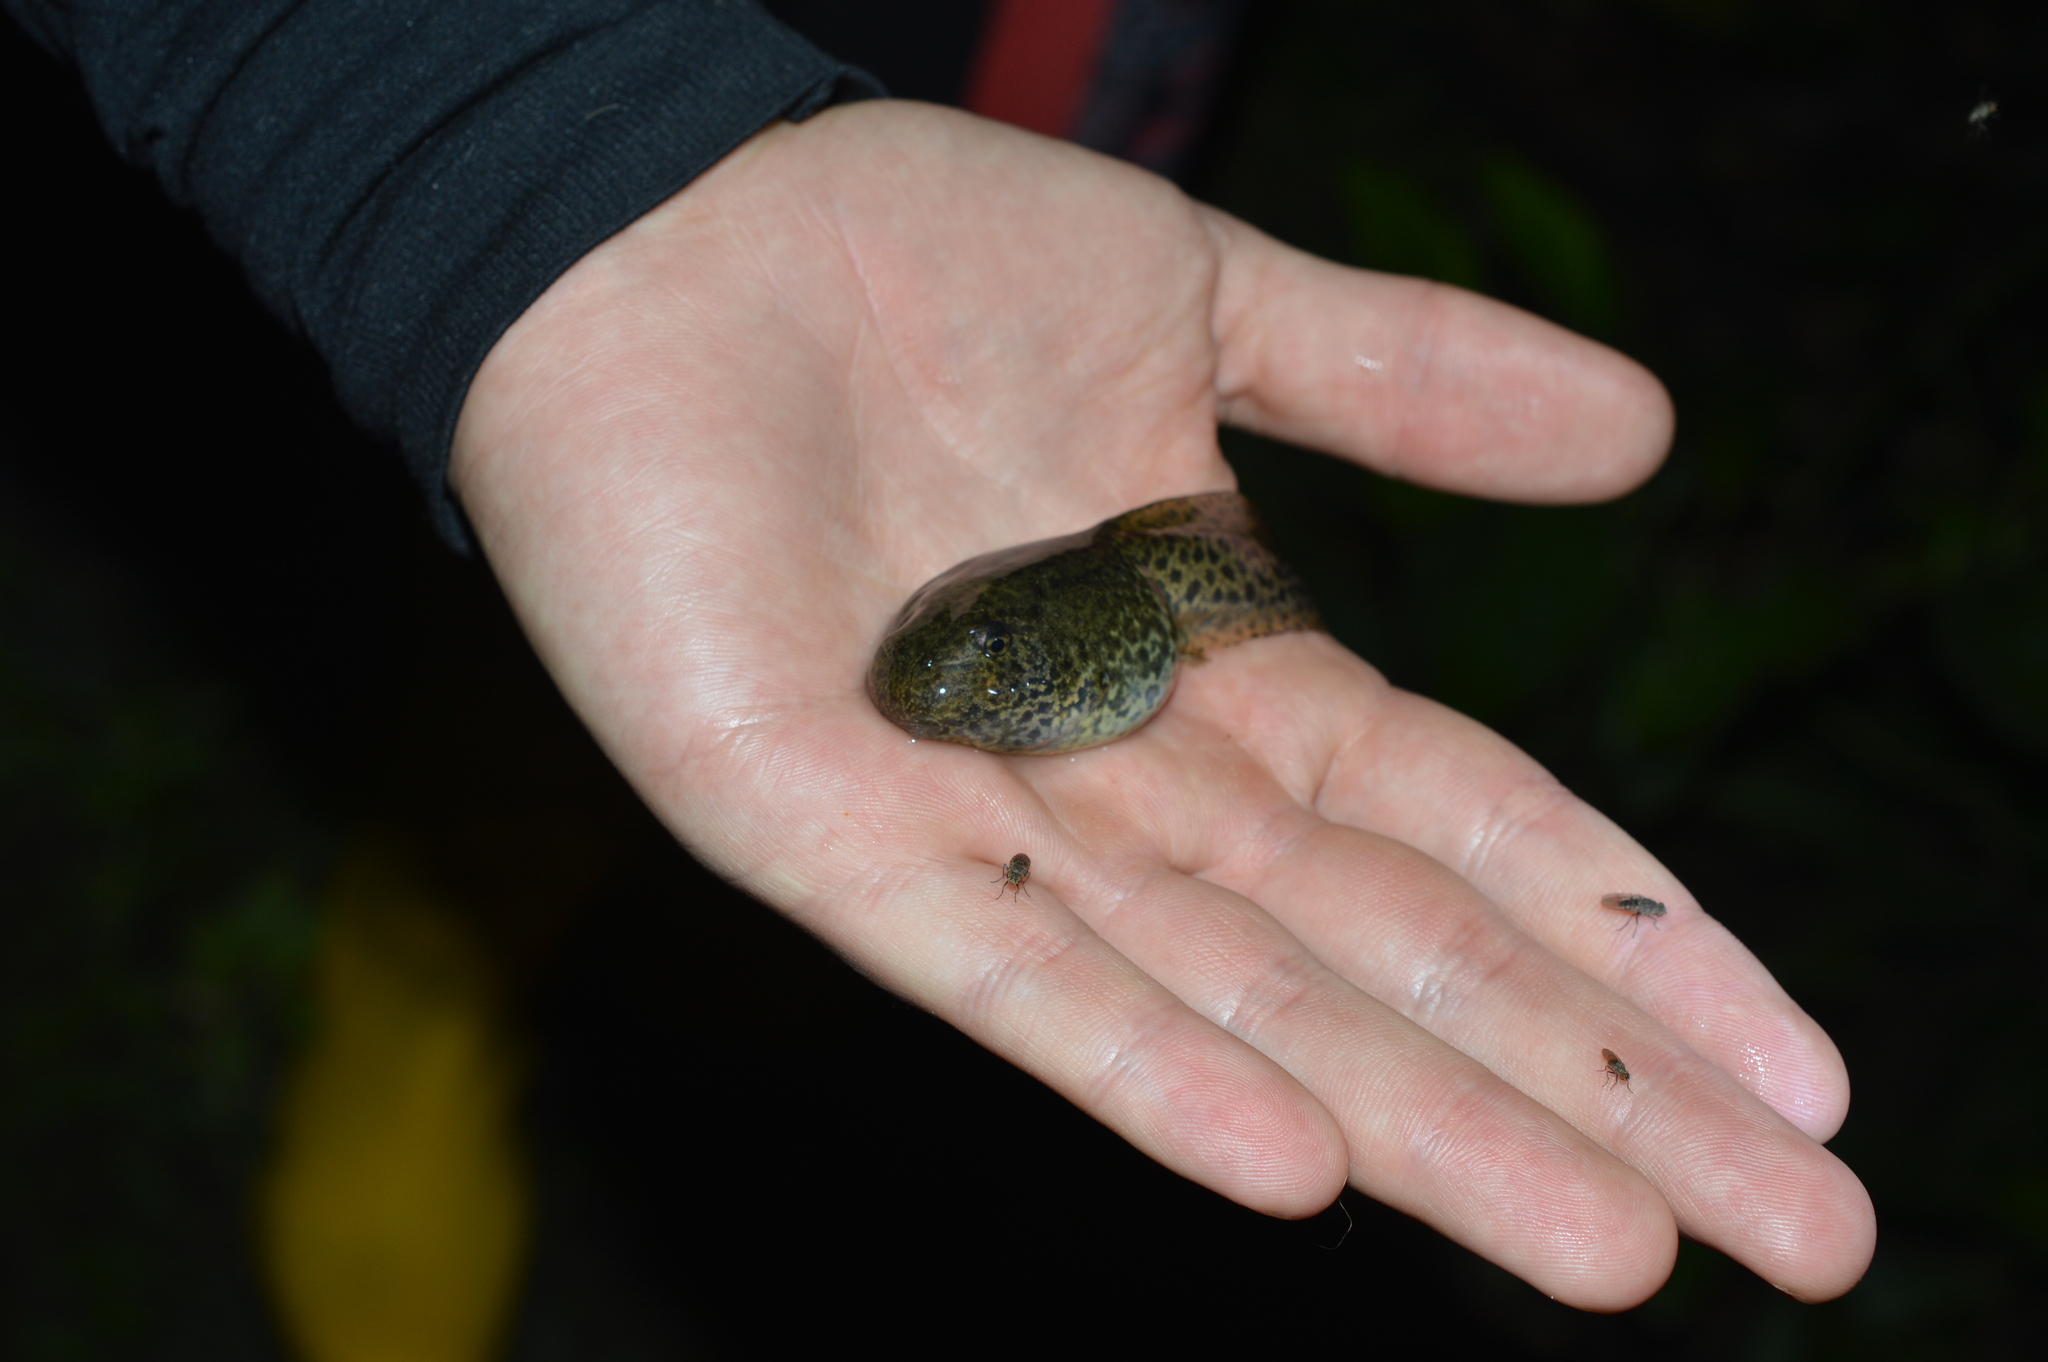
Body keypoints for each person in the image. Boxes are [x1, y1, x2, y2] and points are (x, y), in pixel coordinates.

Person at [6, 0, 1876, 1319]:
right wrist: (531, 148)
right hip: (753, 99)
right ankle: (436, 972)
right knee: (531, 659)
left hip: (1048, 99)